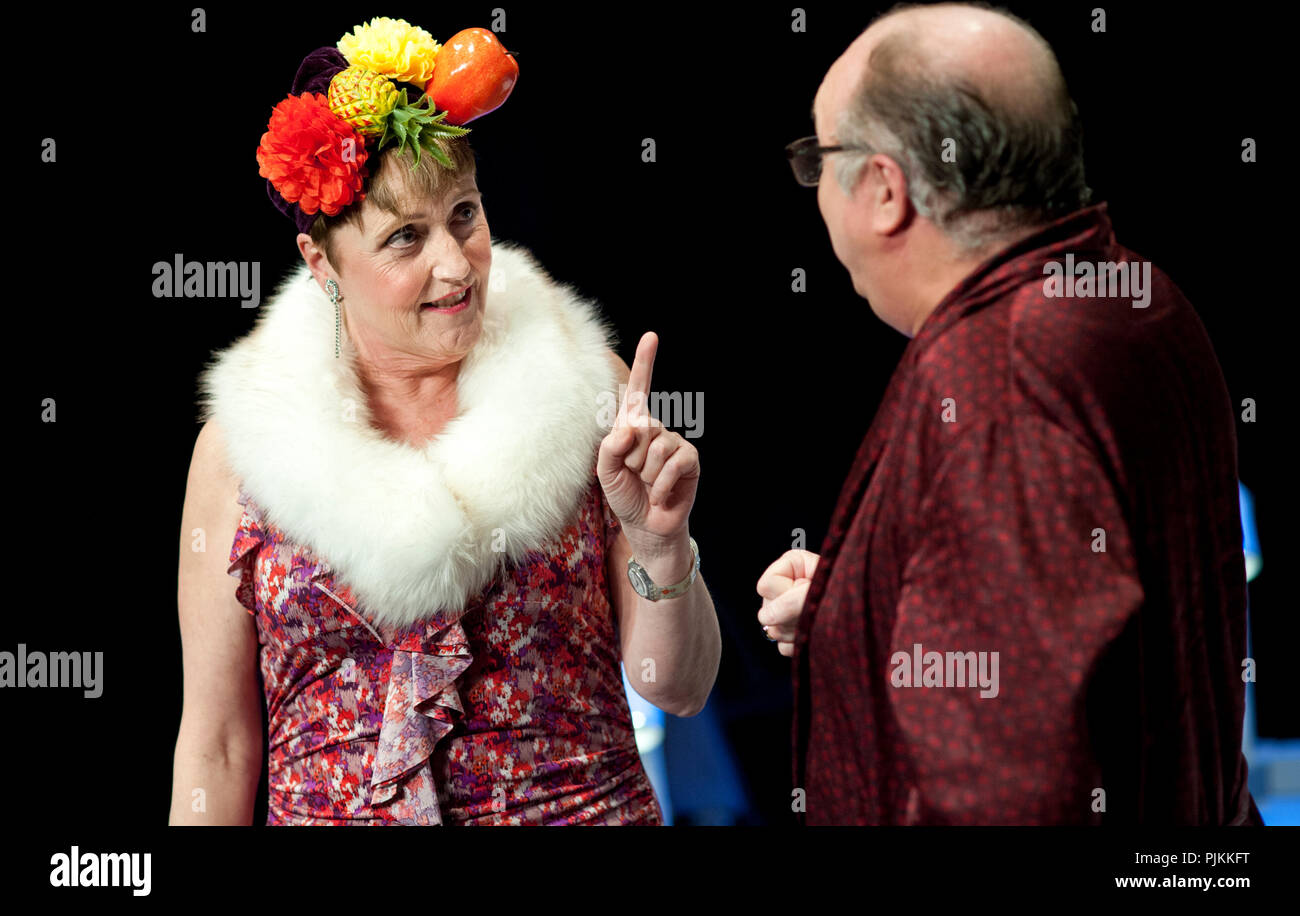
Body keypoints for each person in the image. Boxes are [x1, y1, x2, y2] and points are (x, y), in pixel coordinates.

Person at [170, 15, 719, 825]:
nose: (455, 264)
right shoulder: (242, 449)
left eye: (465, 214)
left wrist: (663, 545)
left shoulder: (583, 390)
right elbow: (216, 745)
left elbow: (678, 686)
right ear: (322, 264)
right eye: (404, 239)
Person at [758, 1, 1262, 825]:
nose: (816, 191)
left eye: (822, 159)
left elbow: (1012, 790)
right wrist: (860, 597)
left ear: (885, 190)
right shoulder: (1138, 295)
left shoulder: (999, 378)